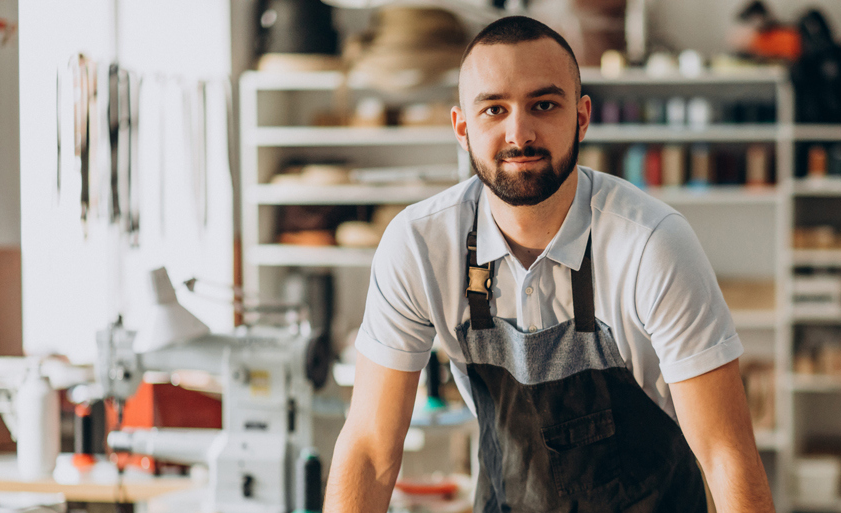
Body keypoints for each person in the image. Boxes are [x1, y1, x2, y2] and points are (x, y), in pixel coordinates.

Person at [325, 15, 775, 513]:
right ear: (462, 128)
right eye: (494, 109)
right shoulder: (419, 246)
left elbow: (726, 456)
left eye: (543, 105)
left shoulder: (651, 245)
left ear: (581, 117)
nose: (520, 134)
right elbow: (369, 449)